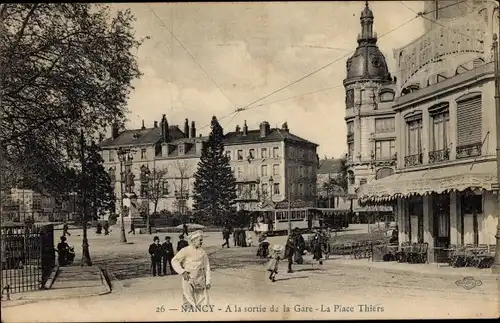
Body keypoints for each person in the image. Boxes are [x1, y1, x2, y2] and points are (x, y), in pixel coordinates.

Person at [171, 230, 211, 307]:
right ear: (193, 240)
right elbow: (174, 261)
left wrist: (208, 281)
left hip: (200, 279)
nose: (201, 242)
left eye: (202, 240)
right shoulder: (185, 250)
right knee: (188, 301)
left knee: (202, 302)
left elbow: (207, 266)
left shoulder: (203, 252)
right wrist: (182, 272)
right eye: (200, 240)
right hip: (188, 278)